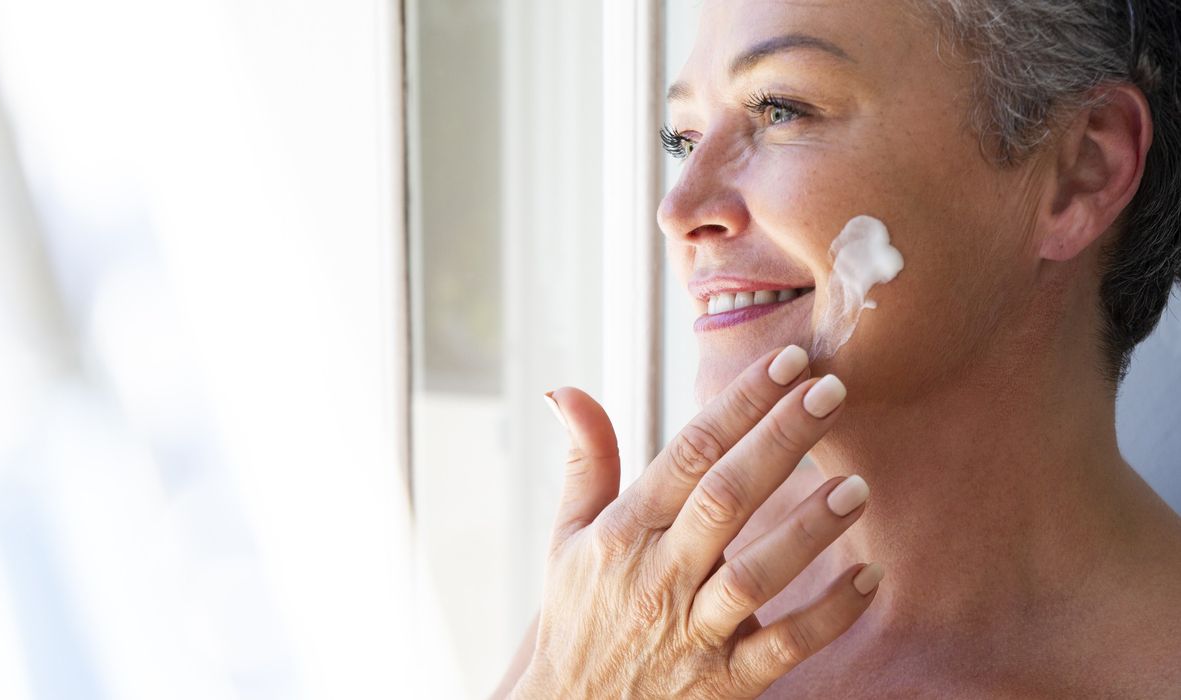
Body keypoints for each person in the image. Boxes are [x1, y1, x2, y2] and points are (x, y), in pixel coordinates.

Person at [495, 0, 1181, 697]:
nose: (677, 210)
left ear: (1080, 171)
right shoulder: (648, 594)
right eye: (685, 139)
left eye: (780, 110)